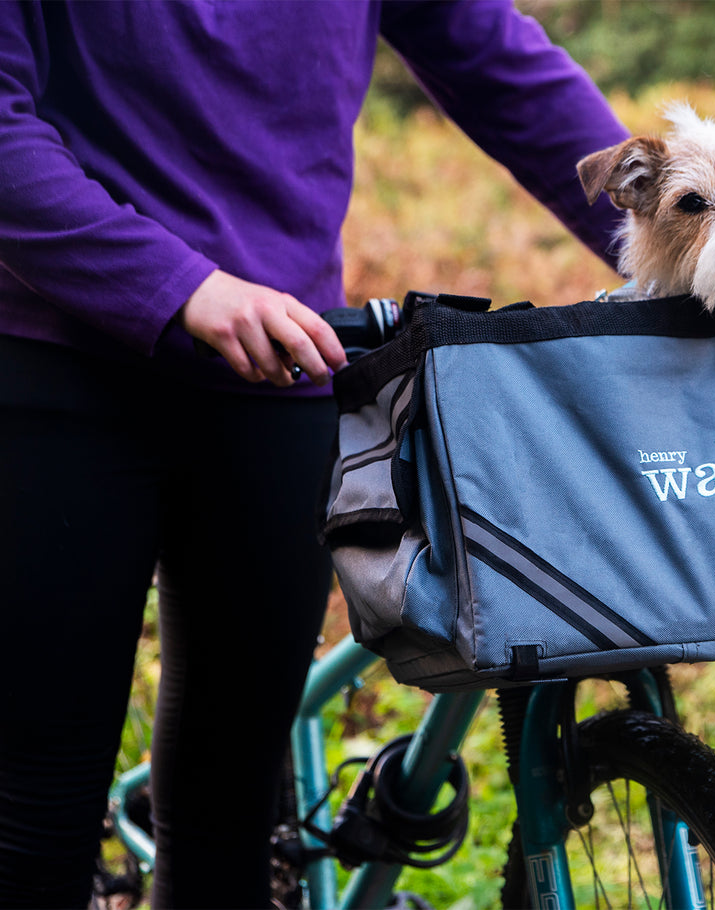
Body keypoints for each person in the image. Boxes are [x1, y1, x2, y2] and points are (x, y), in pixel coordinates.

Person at [0, 2, 628, 906]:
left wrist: (679, 235)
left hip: (278, 364)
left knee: (228, 809)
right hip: (55, 364)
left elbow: (496, 62)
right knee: (37, 810)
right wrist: (179, 286)